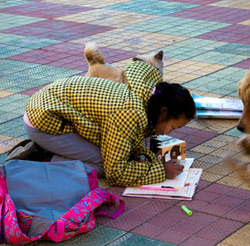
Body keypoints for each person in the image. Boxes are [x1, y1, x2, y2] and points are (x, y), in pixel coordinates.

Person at [23, 60, 196, 187]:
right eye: (172, 127)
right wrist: (161, 172)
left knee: (118, 155)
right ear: (163, 112)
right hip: (44, 121)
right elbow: (116, 172)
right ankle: (44, 158)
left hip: (54, 108)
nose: (169, 133)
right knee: (104, 164)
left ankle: (51, 150)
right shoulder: (130, 112)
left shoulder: (146, 97)